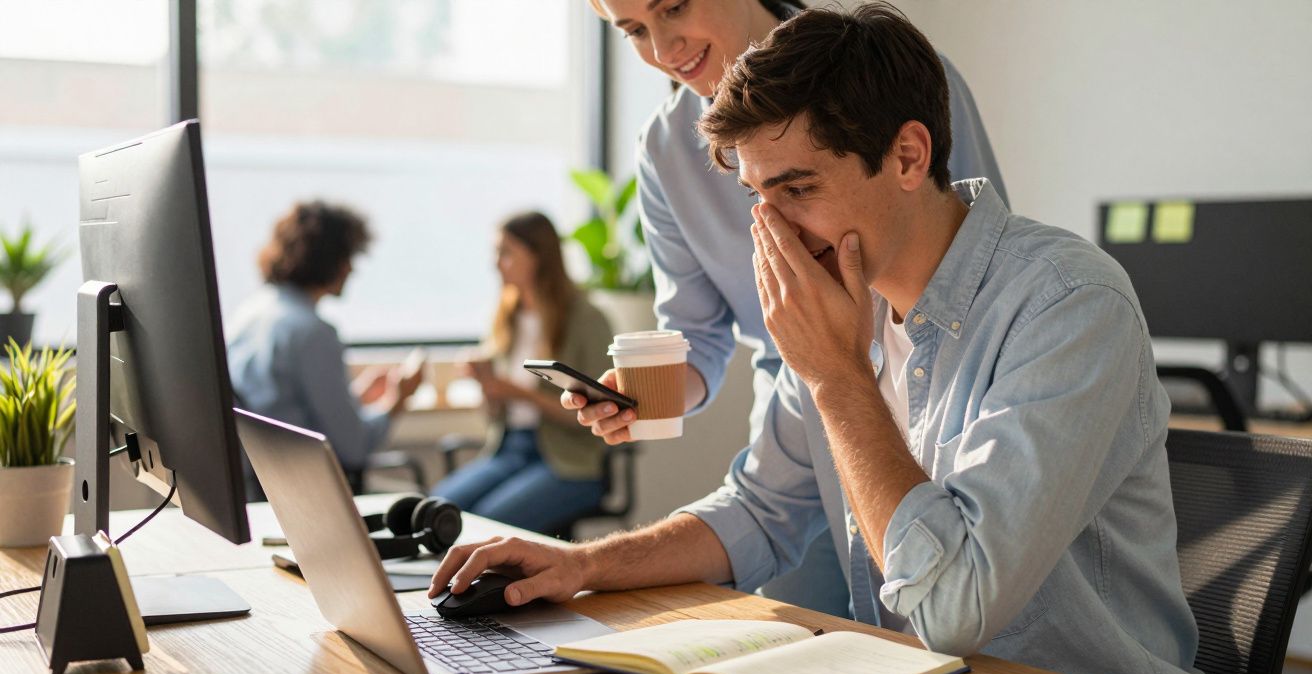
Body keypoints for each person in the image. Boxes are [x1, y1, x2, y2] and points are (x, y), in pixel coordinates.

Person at [429, 5, 1207, 674]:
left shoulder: (1067, 305)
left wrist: (838, 377)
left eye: (798, 191)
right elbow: (758, 513)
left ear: (908, 157)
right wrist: (583, 566)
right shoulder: (841, 303)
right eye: (756, 199)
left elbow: (953, 609)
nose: (772, 236)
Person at [575, 0, 1007, 617]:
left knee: (935, 601)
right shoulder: (666, 149)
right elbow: (699, 339)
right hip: (802, 399)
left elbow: (973, 245)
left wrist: (853, 370)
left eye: (673, 7)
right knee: (804, 622)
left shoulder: (884, 75)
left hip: (938, 385)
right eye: (635, 31)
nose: (665, 49)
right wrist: (648, 397)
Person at [430, 212, 615, 536]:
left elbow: (598, 414)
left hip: (567, 461)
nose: (496, 264)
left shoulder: (586, 320)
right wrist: (487, 387)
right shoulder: (507, 319)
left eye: (506, 252)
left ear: (538, 256)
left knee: (486, 526)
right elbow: (494, 414)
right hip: (509, 449)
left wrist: (519, 393)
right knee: (434, 510)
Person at [227, 201, 422, 499]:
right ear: (332, 261)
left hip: (262, 481)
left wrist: (355, 396)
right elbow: (353, 450)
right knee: (421, 501)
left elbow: (282, 407)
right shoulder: (313, 333)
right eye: (349, 258)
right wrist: (397, 401)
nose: (352, 269)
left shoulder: (250, 314)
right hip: (311, 492)